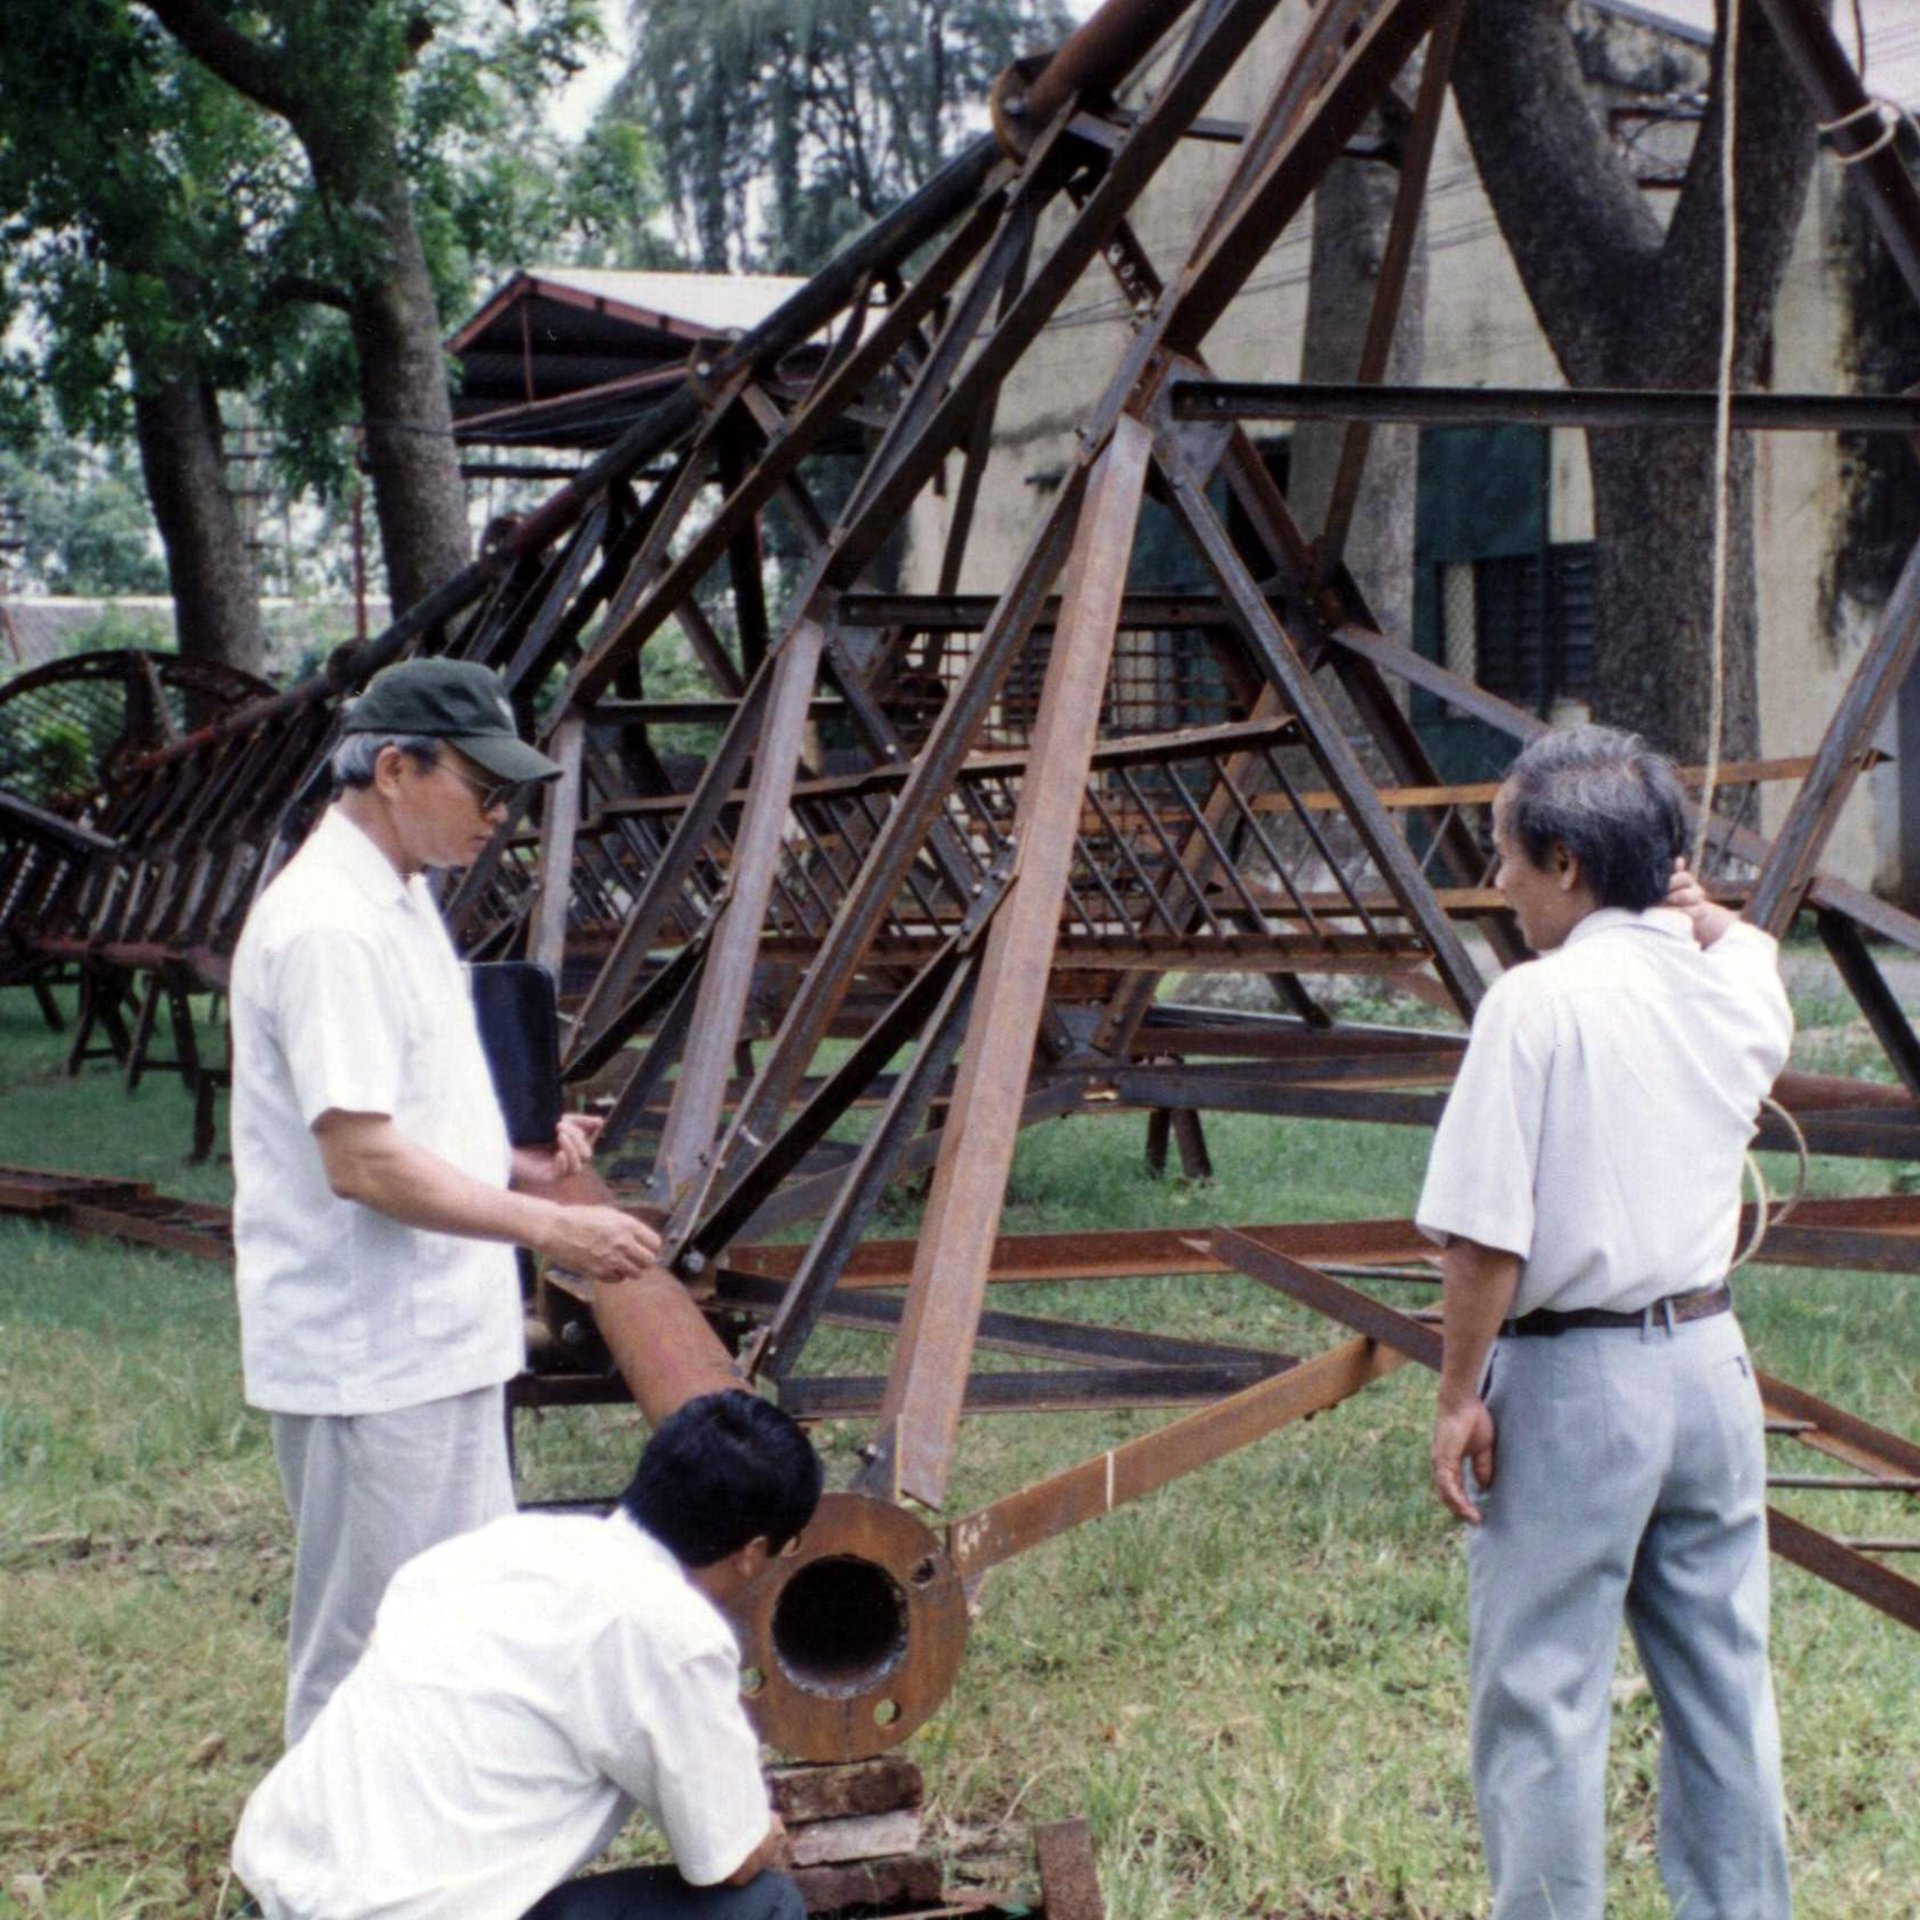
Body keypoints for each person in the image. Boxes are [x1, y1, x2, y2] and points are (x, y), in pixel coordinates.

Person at [229, 657, 663, 1743]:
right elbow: (362, 1162)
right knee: (365, 1645)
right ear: (394, 767)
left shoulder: (402, 896)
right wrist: (553, 1224)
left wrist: (511, 1158)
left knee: (455, 1627)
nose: (498, 817)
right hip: (368, 1354)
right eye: (482, 789)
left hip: (439, 1339)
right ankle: (314, 1892)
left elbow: (404, 1105)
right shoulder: (329, 923)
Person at [1417, 725, 1794, 1920]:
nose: (1500, 882)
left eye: (1509, 856)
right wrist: (1694, 903)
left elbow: (1486, 1240)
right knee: (1726, 1690)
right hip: (1709, 1368)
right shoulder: (1732, 982)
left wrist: (1455, 1396)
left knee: (1543, 1696)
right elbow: (1753, 944)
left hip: (1576, 1384)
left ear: (1569, 864)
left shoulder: (1534, 1004)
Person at [232, 1390, 823, 1920]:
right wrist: (760, 1832)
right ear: (752, 1552)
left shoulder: (496, 1546)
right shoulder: (675, 1632)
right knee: (762, 1907)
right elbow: (729, 1861)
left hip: (281, 1889)